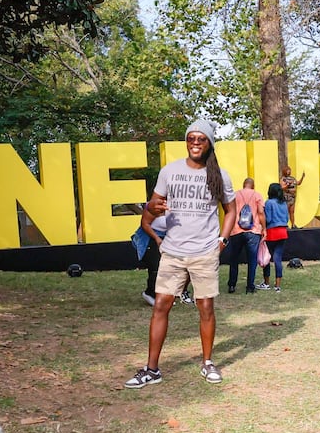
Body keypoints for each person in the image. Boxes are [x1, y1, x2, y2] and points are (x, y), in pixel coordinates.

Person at [124, 118, 235, 388]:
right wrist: (152, 207)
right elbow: (151, 208)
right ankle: (152, 369)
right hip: (173, 251)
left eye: (201, 139)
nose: (195, 143)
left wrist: (222, 241)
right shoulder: (169, 171)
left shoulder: (219, 175)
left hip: (204, 251)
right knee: (161, 305)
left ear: (209, 143)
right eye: (191, 138)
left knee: (205, 307)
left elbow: (231, 211)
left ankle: (207, 363)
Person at [224, 176, 265, 294]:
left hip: (236, 230)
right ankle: (250, 286)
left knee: (234, 259)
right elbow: (261, 213)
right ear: (253, 186)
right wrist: (264, 228)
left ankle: (232, 285)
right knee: (252, 260)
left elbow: (228, 211)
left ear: (243, 185)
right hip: (253, 231)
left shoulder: (235, 195)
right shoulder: (257, 195)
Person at [262, 182, 290, 290]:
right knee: (277, 258)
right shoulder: (283, 203)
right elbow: (287, 219)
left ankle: (266, 283)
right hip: (283, 231)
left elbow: (268, 219)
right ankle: (277, 285)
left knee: (267, 257)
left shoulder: (269, 203)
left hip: (272, 232)